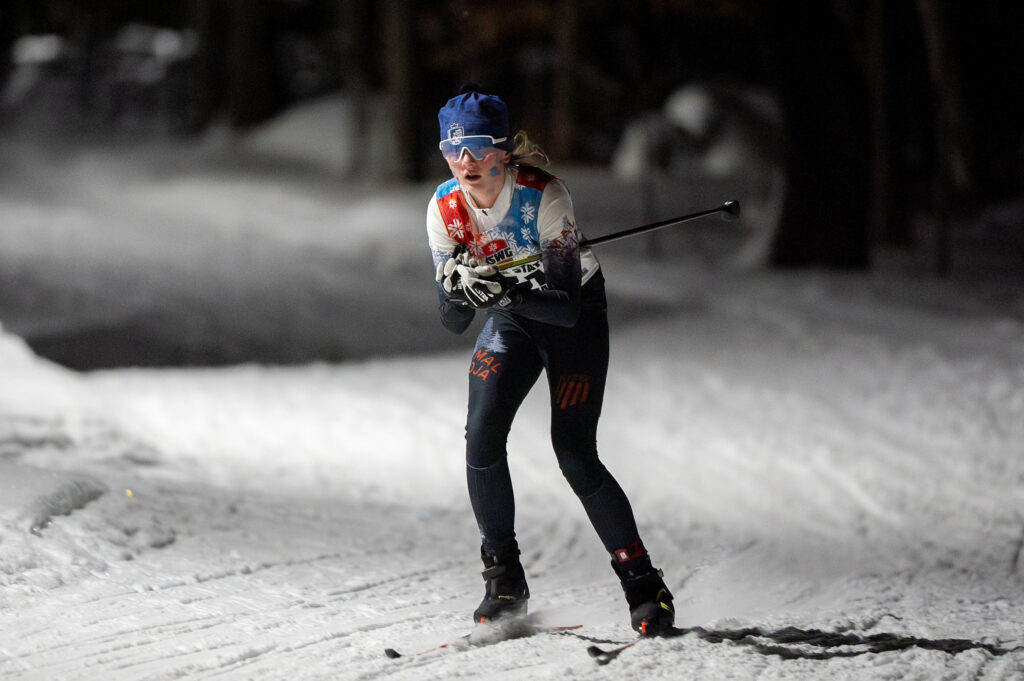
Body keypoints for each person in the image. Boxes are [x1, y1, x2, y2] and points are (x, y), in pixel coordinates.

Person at [425, 88, 675, 636]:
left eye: (477, 150)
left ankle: (642, 583)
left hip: (573, 318)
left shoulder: (544, 197)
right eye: (453, 150)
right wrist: (457, 287)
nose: (465, 164)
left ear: (502, 152)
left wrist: (500, 289)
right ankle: (504, 580)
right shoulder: (445, 208)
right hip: (514, 321)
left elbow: (563, 310)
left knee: (574, 454)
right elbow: (451, 321)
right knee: (481, 436)